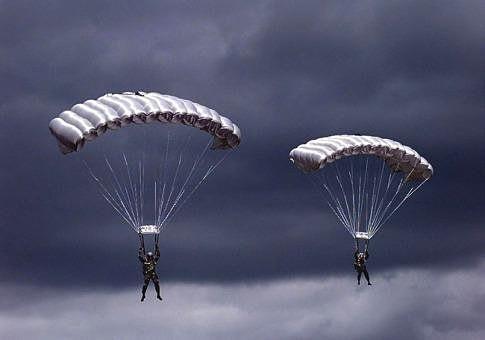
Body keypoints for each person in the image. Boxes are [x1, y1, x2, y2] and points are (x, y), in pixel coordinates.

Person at [139, 234, 162, 301]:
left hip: (153, 274)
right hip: (147, 274)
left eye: (151, 257)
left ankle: (158, 294)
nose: (150, 258)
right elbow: (139, 257)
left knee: (157, 283)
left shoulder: (154, 260)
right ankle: (143, 295)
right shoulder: (144, 260)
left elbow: (158, 255)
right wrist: (140, 250)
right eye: (149, 257)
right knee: (145, 285)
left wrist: (157, 248)